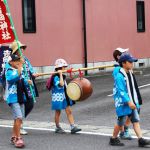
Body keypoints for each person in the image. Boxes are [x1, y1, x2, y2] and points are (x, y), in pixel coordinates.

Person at [109, 52, 150, 147]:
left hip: (132, 102)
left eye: (133, 62)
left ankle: (141, 139)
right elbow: (121, 91)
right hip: (124, 103)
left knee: (135, 120)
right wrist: (129, 101)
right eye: (130, 62)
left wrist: (136, 101)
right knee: (120, 123)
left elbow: (133, 89)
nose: (132, 63)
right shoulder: (120, 76)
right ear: (123, 63)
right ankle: (113, 138)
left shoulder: (129, 73)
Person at [10, 40, 39, 135]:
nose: (22, 49)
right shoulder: (13, 60)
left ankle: (18, 122)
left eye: (22, 48)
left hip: (28, 84)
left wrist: (34, 73)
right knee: (23, 103)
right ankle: (19, 124)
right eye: (19, 48)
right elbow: (14, 73)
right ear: (15, 50)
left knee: (30, 103)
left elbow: (30, 68)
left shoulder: (25, 59)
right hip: (19, 85)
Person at [5, 54, 32, 148]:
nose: (18, 62)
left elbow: (23, 81)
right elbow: (11, 79)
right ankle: (18, 138)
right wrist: (20, 67)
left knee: (17, 119)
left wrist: (28, 83)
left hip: (21, 97)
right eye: (16, 60)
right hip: (13, 98)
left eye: (19, 60)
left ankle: (13, 136)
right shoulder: (9, 71)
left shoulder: (18, 70)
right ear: (10, 62)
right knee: (19, 117)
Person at [50, 58, 81, 134]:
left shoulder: (62, 75)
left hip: (65, 96)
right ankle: (57, 127)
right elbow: (61, 84)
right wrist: (60, 74)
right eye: (64, 67)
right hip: (58, 97)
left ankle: (72, 126)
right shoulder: (55, 77)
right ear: (60, 68)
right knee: (58, 112)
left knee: (69, 111)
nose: (65, 68)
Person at [113, 47, 132, 140]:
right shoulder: (117, 69)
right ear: (118, 56)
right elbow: (119, 84)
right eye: (123, 53)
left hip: (127, 93)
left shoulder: (125, 66)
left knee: (133, 111)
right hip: (120, 94)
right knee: (121, 115)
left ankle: (124, 129)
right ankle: (121, 133)